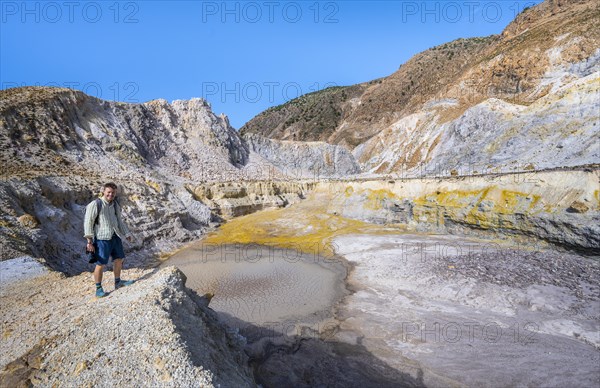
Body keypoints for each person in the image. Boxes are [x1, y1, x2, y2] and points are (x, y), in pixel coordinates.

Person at [84, 182, 135, 297]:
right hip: (102, 238)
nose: (111, 194)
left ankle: (118, 282)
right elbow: (88, 222)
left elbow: (119, 221)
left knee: (119, 259)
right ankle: (98, 289)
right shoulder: (95, 204)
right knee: (101, 263)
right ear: (104, 192)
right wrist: (89, 241)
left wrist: (126, 233)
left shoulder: (115, 204)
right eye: (109, 192)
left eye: (113, 192)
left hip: (115, 236)